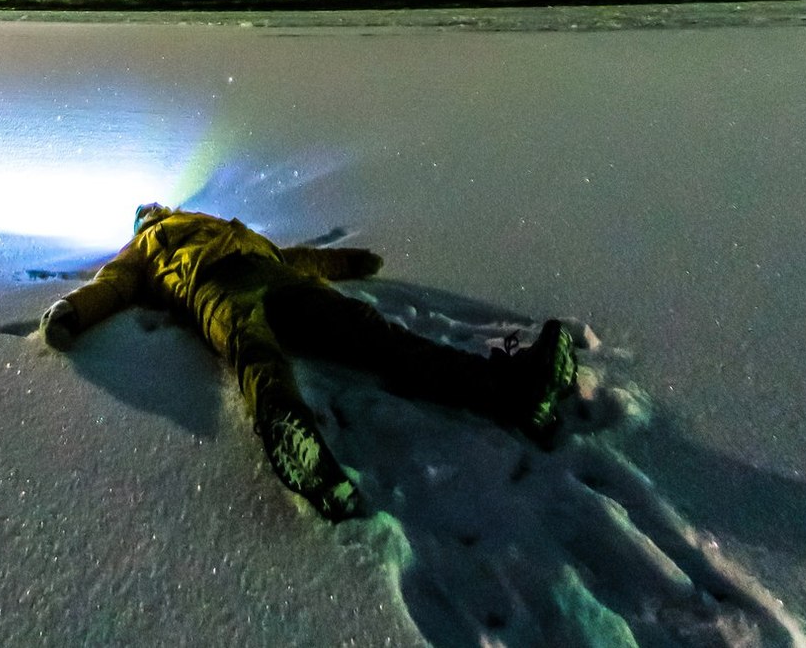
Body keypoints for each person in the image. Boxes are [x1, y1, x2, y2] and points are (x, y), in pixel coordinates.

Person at [41, 203, 578, 522]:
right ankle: (287, 430)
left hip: (277, 277)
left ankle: (517, 392)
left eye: (156, 208)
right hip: (214, 290)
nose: (156, 212)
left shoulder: (222, 224)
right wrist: (69, 311)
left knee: (377, 336)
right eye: (149, 213)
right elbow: (111, 286)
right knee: (254, 352)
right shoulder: (143, 248)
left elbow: (293, 257)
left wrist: (349, 261)